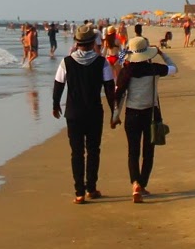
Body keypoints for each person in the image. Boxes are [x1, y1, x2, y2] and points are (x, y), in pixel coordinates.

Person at [52, 24, 117, 204]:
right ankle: (91, 188)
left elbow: (58, 85)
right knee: (93, 151)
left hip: (73, 113)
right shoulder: (101, 62)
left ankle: (79, 192)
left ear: (78, 42)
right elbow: (110, 89)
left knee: (77, 152)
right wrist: (114, 112)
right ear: (91, 43)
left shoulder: (66, 62)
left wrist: (55, 104)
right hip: (94, 113)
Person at [116, 35, 176, 202]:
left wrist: (115, 117)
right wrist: (161, 53)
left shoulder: (126, 71)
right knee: (148, 152)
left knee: (132, 152)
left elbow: (119, 94)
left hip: (131, 114)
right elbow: (173, 68)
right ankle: (142, 184)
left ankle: (135, 183)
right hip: (150, 114)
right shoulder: (155, 69)